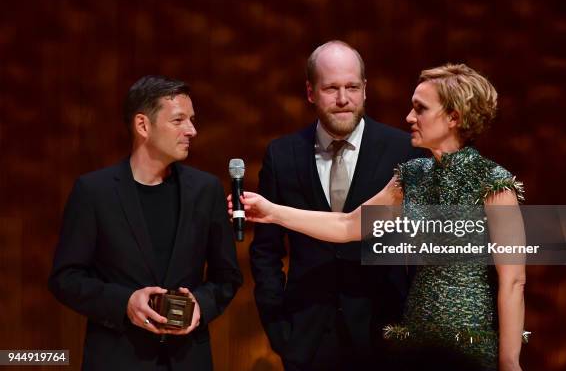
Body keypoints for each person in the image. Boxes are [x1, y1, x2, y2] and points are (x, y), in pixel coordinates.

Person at [234, 64, 526, 371]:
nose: (409, 118)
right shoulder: (411, 177)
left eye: (420, 109)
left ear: (454, 118)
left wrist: (509, 361)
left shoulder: (493, 183)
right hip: (417, 339)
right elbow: (348, 225)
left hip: (470, 343)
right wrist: (272, 211)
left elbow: (513, 281)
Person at [49, 75, 243, 371]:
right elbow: (66, 278)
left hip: (188, 360)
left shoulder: (206, 190)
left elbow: (227, 277)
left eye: (192, 120)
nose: (192, 130)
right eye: (179, 120)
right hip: (118, 360)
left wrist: (199, 306)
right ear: (143, 125)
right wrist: (125, 302)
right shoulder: (94, 192)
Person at [250, 40, 422, 370]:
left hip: (384, 335)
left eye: (352, 87)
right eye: (331, 88)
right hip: (307, 335)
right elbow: (266, 251)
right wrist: (278, 326)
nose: (344, 99)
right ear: (311, 92)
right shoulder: (282, 155)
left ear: (365, 90)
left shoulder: (403, 150)